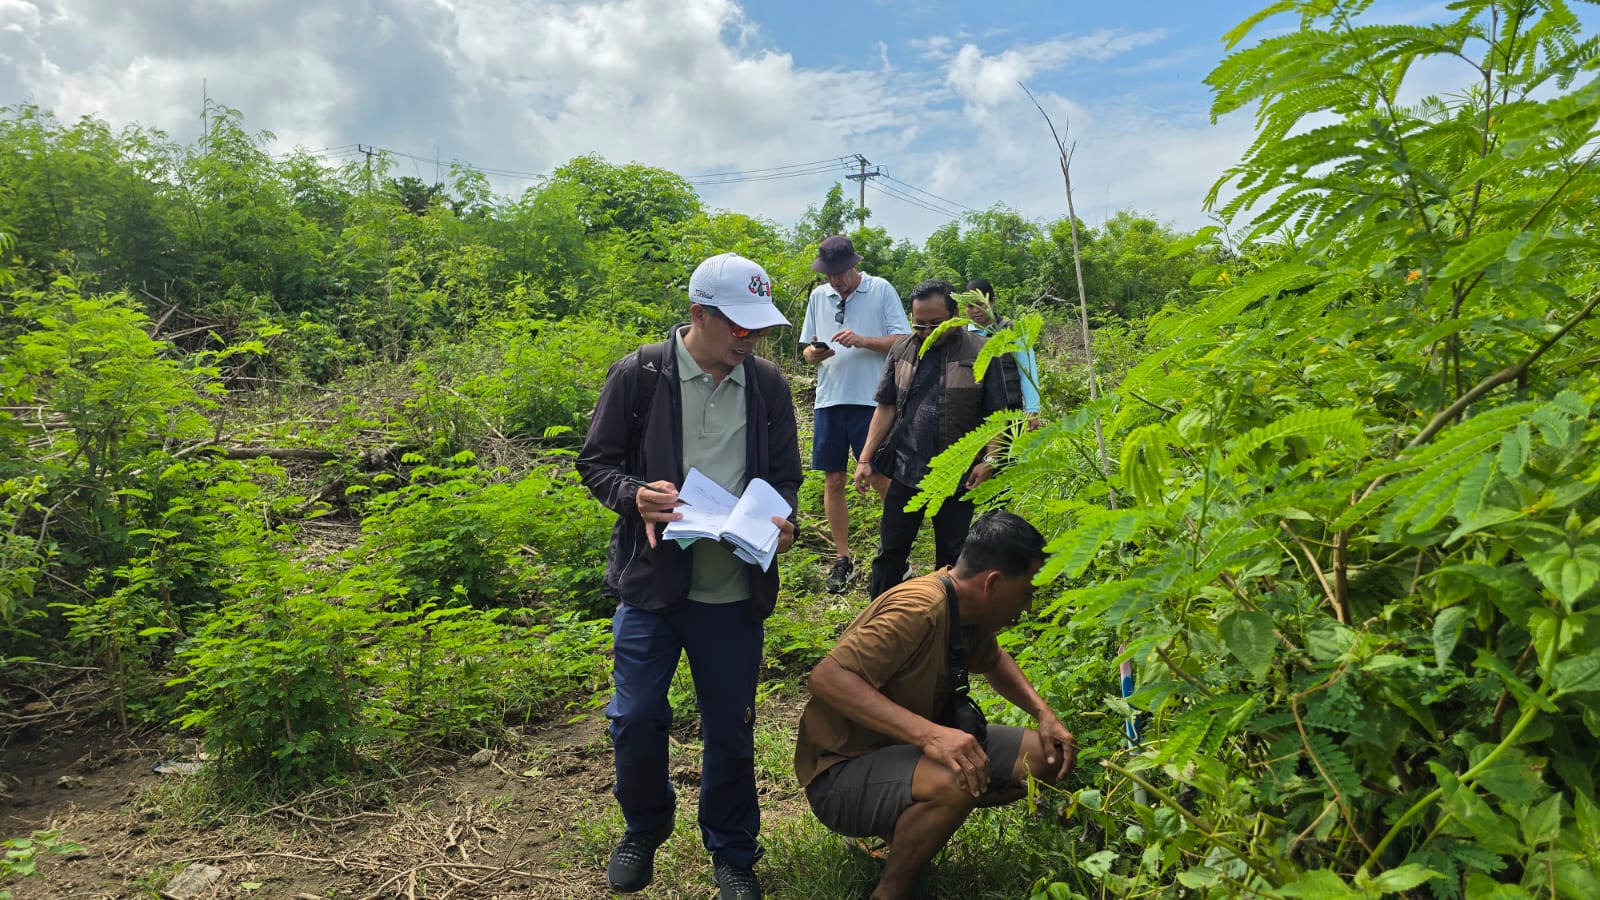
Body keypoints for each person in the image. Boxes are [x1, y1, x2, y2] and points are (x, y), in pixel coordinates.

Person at [577, 252, 803, 900]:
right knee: (635, 716)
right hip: (654, 587)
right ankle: (645, 826)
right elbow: (596, 463)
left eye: (757, 329)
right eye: (738, 326)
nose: (750, 339)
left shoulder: (767, 387)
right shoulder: (641, 375)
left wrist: (783, 521)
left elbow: (786, 480)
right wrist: (634, 495)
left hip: (732, 592)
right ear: (699, 314)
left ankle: (732, 853)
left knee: (730, 727)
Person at [793, 510, 1077, 900]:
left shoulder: (969, 610)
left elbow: (994, 661)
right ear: (992, 582)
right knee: (956, 777)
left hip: (900, 752)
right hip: (840, 773)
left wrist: (1044, 715)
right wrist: (932, 737)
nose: (1027, 607)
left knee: (1042, 759)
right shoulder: (919, 609)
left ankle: (907, 829)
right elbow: (827, 678)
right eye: (1026, 592)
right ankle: (891, 890)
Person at [854, 278, 1021, 601]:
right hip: (907, 468)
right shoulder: (902, 349)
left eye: (936, 323)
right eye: (920, 324)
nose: (928, 331)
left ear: (955, 314)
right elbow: (886, 406)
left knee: (952, 557)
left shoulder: (982, 352)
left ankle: (948, 628)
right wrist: (865, 459)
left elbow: (998, 414)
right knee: (890, 552)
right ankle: (878, 621)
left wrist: (988, 461)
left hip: (958, 476)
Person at [799, 234, 910, 594]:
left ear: (854, 266)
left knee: (879, 477)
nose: (836, 280)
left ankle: (898, 555)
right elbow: (807, 348)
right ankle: (842, 558)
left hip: (873, 400)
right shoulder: (819, 297)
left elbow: (904, 340)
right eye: (829, 274)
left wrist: (863, 340)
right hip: (830, 399)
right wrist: (814, 355)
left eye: (841, 273)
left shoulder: (880, 290)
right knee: (833, 479)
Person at [963, 278, 1042, 426]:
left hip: (1010, 411)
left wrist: (1032, 410)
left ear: (993, 302)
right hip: (971, 412)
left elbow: (1027, 371)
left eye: (979, 304)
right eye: (969, 305)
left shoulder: (1013, 331)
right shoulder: (960, 335)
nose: (974, 310)